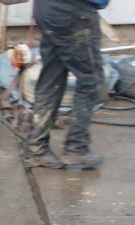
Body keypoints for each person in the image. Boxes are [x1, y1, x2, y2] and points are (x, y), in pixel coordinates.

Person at [24, 0, 108, 170]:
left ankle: (37, 149)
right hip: (74, 14)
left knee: (51, 78)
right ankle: (76, 147)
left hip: (48, 12)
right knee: (91, 79)